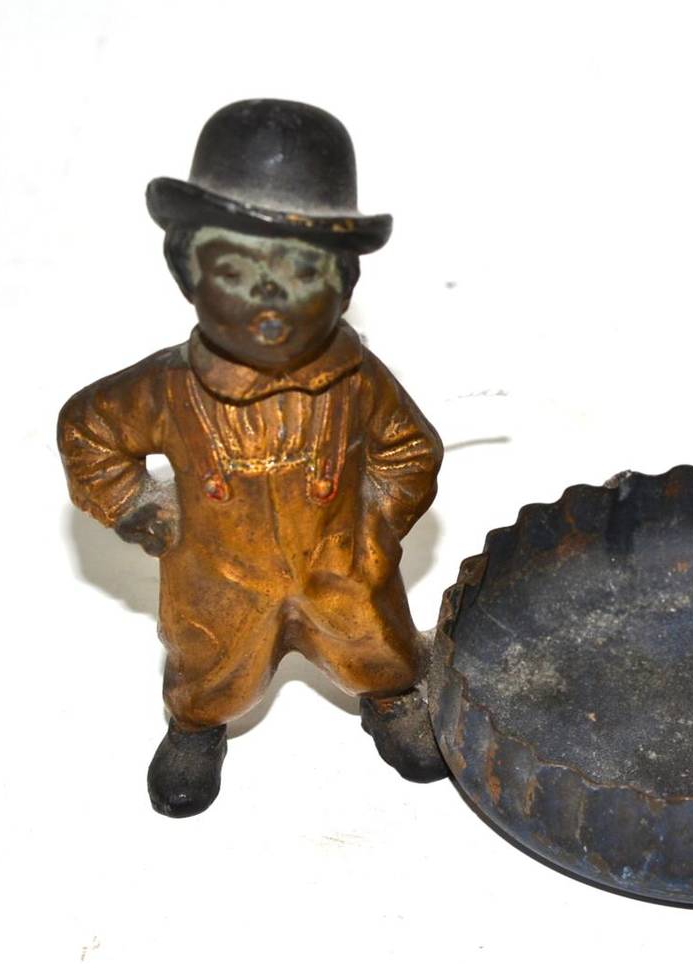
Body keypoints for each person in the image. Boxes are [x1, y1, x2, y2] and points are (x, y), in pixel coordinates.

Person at [58, 99, 446, 817]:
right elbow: (89, 431)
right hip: (218, 579)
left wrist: (374, 525)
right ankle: (196, 730)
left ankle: (393, 700)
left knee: (377, 645)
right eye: (234, 267)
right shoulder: (165, 390)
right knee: (208, 668)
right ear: (186, 273)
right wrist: (134, 505)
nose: (269, 296)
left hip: (341, 572)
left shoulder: (359, 382)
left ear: (345, 286)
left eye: (302, 270)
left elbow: (410, 449)